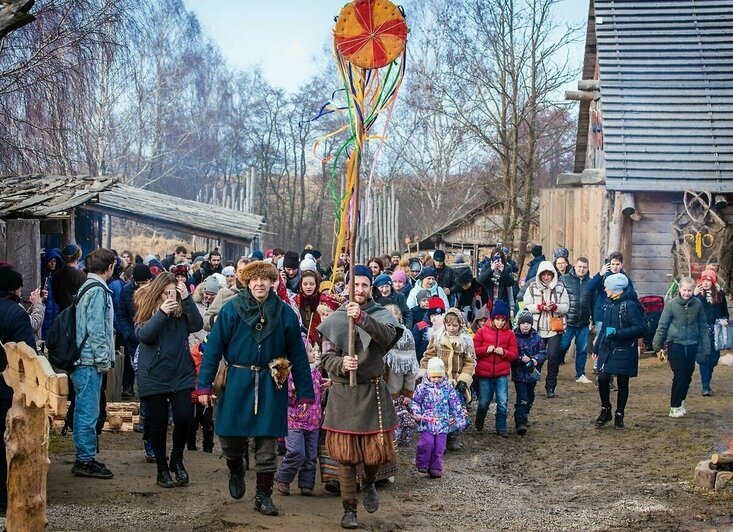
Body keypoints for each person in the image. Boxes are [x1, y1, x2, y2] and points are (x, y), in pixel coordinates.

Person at [196, 260, 315, 516]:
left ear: (273, 282)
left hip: (272, 384)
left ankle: (263, 495)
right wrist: (204, 386)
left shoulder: (284, 313)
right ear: (247, 282)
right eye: (255, 280)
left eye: (265, 279)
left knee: (267, 443)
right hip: (237, 380)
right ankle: (236, 467)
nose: (260, 283)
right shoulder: (231, 310)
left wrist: (305, 390)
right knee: (229, 438)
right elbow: (213, 349)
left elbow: (298, 354)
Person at [317, 264, 402, 530]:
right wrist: (342, 364)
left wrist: (364, 319)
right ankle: (349, 509)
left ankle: (368, 483)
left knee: (376, 454)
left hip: (373, 392)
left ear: (371, 287)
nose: (360, 289)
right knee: (346, 456)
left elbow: (389, 337)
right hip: (344, 393)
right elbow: (326, 358)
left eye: (365, 285)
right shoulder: (334, 320)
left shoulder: (380, 314)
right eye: (356, 285)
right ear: (347, 287)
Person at [134, 271, 203, 487]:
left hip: (180, 371)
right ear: (158, 293)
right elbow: (144, 336)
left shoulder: (183, 309)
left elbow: (197, 325)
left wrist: (188, 299)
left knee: (184, 419)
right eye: (166, 293)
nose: (170, 297)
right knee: (159, 423)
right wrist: (162, 313)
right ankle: (161, 469)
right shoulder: (148, 307)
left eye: (173, 293)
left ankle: (177, 459)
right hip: (154, 373)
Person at [70, 249, 116, 480]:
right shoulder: (97, 291)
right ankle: (85, 460)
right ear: (109, 267)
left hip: (83, 359)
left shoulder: (88, 287)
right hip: (88, 360)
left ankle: (85, 456)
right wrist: (103, 360)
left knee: (84, 410)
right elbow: (97, 329)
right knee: (88, 412)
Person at [0, 264, 37, 513]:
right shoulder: (16, 313)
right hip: (6, 385)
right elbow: (28, 353)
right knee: (8, 441)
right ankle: (5, 498)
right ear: (15, 288)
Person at [592, 274, 644, 429]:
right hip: (608, 348)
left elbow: (640, 328)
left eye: (607, 287)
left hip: (624, 349)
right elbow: (605, 329)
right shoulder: (609, 303)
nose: (605, 289)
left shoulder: (629, 305)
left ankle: (619, 414)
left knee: (622, 381)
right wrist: (596, 346)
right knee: (602, 377)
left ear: (615, 289)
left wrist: (619, 334)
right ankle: (605, 408)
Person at [419, 307, 475, 450]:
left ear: (460, 325)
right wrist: (424, 373)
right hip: (438, 380)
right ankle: (440, 438)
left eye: (455, 325)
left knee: (456, 410)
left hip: (455, 382)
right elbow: (428, 355)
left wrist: (464, 379)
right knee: (439, 410)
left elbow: (470, 362)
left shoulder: (465, 341)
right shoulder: (437, 337)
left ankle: (453, 437)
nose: (451, 328)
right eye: (449, 325)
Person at [653, 277, 710, 418]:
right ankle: (674, 406)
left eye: (690, 290)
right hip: (675, 343)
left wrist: (705, 349)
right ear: (680, 289)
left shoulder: (697, 305)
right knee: (679, 375)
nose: (686, 293)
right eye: (684, 290)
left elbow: (703, 327)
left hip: (691, 344)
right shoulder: (671, 305)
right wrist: (657, 345)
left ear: (693, 290)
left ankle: (681, 401)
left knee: (688, 376)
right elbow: (662, 325)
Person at [276, 341, 326, 497]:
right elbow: (284, 395)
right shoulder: (290, 372)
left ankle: (306, 484)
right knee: (296, 451)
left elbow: (319, 395)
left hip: (313, 421)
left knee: (311, 456)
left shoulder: (317, 372)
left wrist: (324, 386)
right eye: (311, 351)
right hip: (294, 420)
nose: (315, 354)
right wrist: (292, 390)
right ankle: (284, 478)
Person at [410, 358, 468, 478]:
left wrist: (459, 419)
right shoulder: (422, 387)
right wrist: (417, 413)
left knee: (440, 447)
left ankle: (435, 467)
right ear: (428, 375)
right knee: (427, 443)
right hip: (427, 422)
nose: (436, 379)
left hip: (442, 423)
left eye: (439, 377)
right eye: (433, 377)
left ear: (443, 375)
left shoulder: (448, 388)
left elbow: (455, 404)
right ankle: (423, 463)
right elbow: (415, 401)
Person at [522, 261, 569, 398]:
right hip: (537, 328)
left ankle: (550, 386)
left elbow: (566, 306)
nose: (546, 277)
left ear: (553, 275)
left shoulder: (560, 287)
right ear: (540, 275)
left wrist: (555, 307)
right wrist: (540, 307)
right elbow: (525, 306)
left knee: (553, 357)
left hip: (555, 328)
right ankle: (532, 382)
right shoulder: (532, 287)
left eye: (549, 274)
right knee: (538, 358)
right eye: (544, 274)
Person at [472, 300, 518, 436]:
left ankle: (501, 428)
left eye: (503, 320)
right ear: (493, 318)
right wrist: (486, 350)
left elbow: (514, 354)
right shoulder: (481, 332)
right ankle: (479, 422)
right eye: (497, 319)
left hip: (501, 374)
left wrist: (504, 352)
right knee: (484, 402)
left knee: (502, 402)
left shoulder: (510, 335)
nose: (500, 322)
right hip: (484, 373)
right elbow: (474, 351)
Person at [383, 304, 419, 447]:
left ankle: (394, 444)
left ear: (400, 319)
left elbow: (410, 368)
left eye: (395, 320)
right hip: (376, 387)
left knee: (396, 421)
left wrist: (407, 392)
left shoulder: (406, 337)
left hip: (394, 389)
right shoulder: (377, 333)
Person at [694, 269, 729, 396]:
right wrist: (694, 295)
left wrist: (724, 320)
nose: (706, 282)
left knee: (714, 359)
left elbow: (725, 312)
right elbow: (688, 309)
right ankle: (705, 386)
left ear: (713, 282)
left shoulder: (720, 295)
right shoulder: (697, 296)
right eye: (704, 279)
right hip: (701, 332)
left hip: (716, 332)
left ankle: (707, 380)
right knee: (704, 359)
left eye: (708, 280)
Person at [558, 257, 593, 383]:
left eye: (584, 267)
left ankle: (580, 374)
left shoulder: (591, 282)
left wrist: (593, 319)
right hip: (568, 321)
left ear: (587, 268)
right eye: (580, 267)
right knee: (562, 345)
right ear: (575, 266)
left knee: (582, 349)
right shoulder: (564, 279)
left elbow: (593, 302)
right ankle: (554, 368)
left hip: (583, 321)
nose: (582, 269)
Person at [511, 312, 546, 435]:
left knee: (530, 397)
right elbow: (511, 354)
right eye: (523, 323)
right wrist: (521, 358)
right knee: (523, 398)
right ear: (519, 324)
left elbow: (543, 352)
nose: (525, 326)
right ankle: (520, 421)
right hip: (519, 374)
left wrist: (535, 360)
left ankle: (524, 415)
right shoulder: (513, 337)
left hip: (532, 374)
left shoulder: (537, 337)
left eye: (528, 323)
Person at [52, 243, 86, 310]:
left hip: (61, 312)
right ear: (77, 257)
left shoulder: (56, 275)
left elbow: (55, 297)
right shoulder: (80, 275)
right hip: (76, 313)